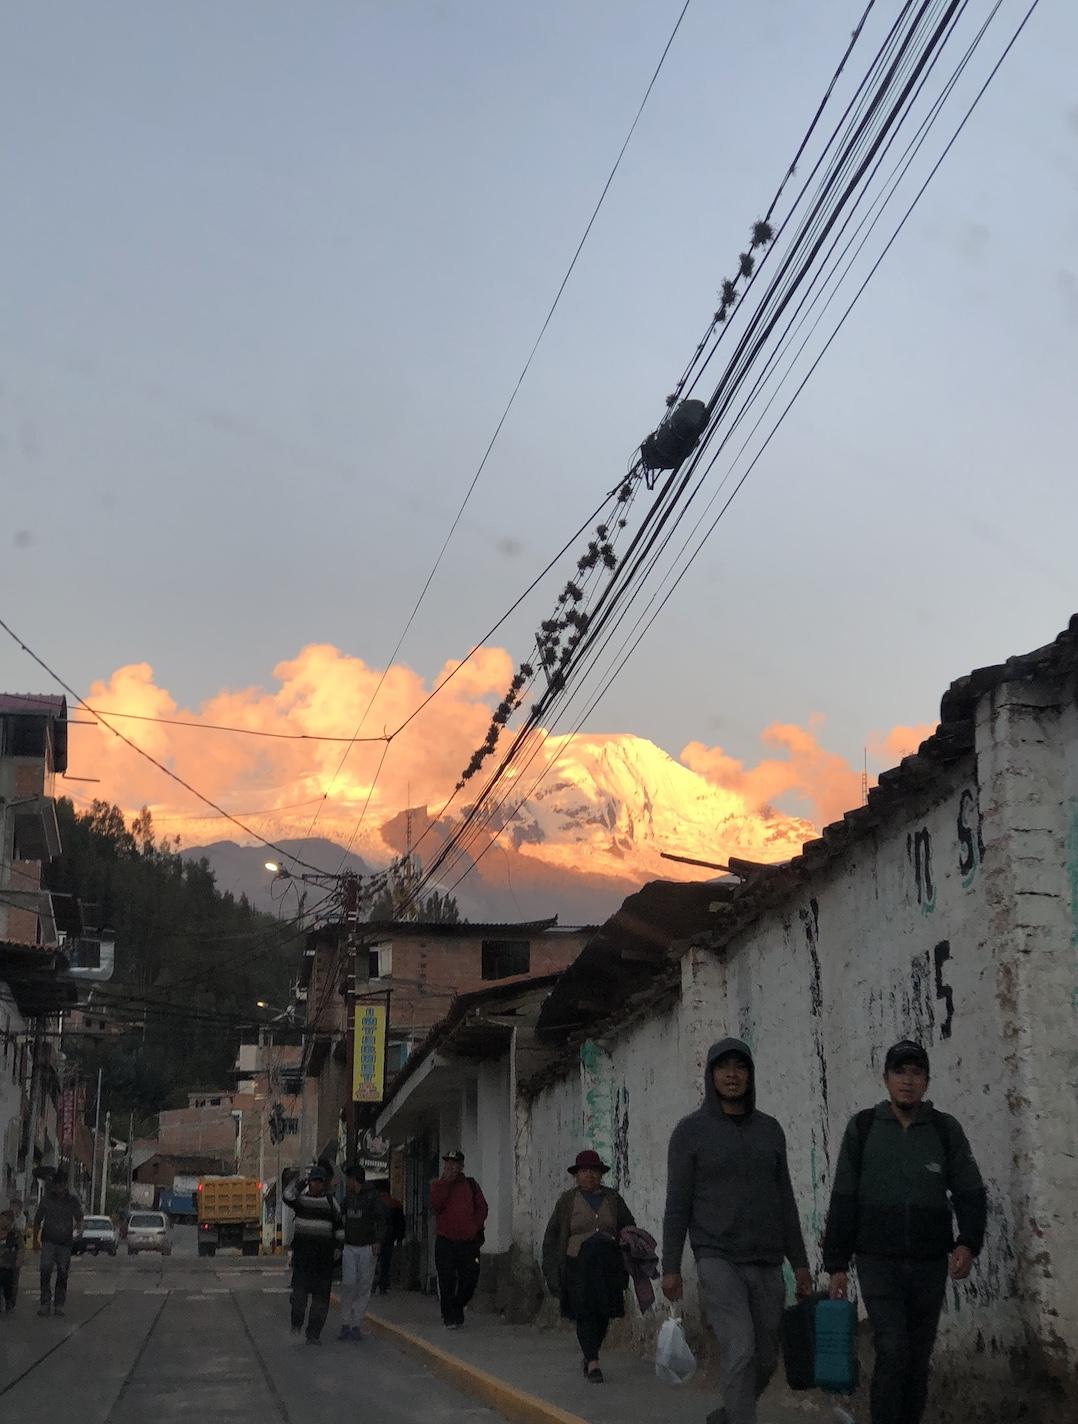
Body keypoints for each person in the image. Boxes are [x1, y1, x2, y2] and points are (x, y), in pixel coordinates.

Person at [822, 1040, 986, 1424]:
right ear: (886, 1079)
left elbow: (970, 1191)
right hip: (877, 1262)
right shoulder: (864, 1128)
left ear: (926, 1081)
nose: (907, 1081)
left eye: (916, 1073)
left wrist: (968, 1243)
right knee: (893, 1349)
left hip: (930, 1263)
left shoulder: (944, 1130)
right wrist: (837, 1265)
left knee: (917, 1357)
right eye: (900, 1072)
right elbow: (843, 1197)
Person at [662, 1038, 813, 1424]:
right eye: (723, 1067)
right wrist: (671, 1266)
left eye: (740, 1067)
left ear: (750, 1075)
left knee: (766, 1357)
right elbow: (677, 1202)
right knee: (741, 1347)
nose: (732, 1075)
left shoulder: (770, 1130)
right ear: (711, 1075)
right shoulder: (690, 1132)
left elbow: (785, 1200)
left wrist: (799, 1263)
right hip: (717, 1257)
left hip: (767, 1259)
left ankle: (731, 1416)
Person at [542, 1149, 636, 1384]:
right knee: (584, 1310)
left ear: (600, 1174)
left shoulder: (613, 1199)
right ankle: (593, 1361)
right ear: (577, 1176)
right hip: (578, 1265)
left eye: (594, 1171)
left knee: (603, 1312)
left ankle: (590, 1353)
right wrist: (552, 1268)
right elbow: (553, 1235)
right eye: (584, 1171)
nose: (589, 1175)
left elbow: (628, 1226)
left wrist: (628, 1246)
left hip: (608, 1264)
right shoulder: (567, 1201)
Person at [283, 1165, 343, 1345]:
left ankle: (313, 1334)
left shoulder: (331, 1202)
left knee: (321, 1301)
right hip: (303, 1259)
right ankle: (296, 1325)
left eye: (320, 1182)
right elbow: (287, 1196)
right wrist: (301, 1182)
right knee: (299, 1297)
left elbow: (339, 1227)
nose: (316, 1184)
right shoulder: (301, 1201)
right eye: (314, 1181)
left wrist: (338, 1249)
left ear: (324, 1184)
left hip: (323, 1261)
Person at [429, 1149, 487, 1329]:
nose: (450, 1167)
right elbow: (436, 1205)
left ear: (461, 1167)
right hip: (445, 1240)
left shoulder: (470, 1185)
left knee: (470, 1278)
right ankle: (449, 1317)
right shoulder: (438, 1185)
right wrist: (445, 1183)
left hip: (468, 1242)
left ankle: (457, 1306)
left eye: (454, 1164)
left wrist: (474, 1227)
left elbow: (482, 1208)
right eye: (448, 1163)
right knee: (446, 1279)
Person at [338, 1162, 387, 1342]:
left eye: (348, 1180)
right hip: (350, 1246)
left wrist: (378, 1240)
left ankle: (356, 1324)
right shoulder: (349, 1198)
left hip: (367, 1247)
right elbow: (339, 1214)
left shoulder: (373, 1198)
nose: (347, 1184)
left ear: (354, 1180)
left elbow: (382, 1220)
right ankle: (346, 1322)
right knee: (348, 1284)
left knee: (364, 1286)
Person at [33, 1168, 84, 1318]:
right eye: (57, 1185)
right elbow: (37, 1220)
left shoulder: (72, 1201)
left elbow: (80, 1219)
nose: (59, 1188)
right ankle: (45, 1303)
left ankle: (59, 1304)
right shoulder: (47, 1200)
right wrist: (35, 1240)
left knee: (62, 1273)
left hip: (65, 1243)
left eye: (61, 1185)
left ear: (65, 1185)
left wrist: (77, 1231)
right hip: (48, 1240)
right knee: (45, 1270)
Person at [375, 1179, 406, 1295]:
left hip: (377, 1238)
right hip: (390, 1238)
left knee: (374, 1262)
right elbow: (401, 1224)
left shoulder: (375, 1203)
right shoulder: (395, 1204)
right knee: (386, 1262)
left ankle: (373, 1284)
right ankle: (383, 1284)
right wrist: (400, 1237)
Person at [0, 1209, 23, 1314]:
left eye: (4, 1219)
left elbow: (21, 1248)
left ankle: (10, 1302)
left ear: (10, 1221)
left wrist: (19, 1260)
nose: (1, 1221)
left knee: (10, 1286)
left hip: (10, 1265)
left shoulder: (15, 1234)